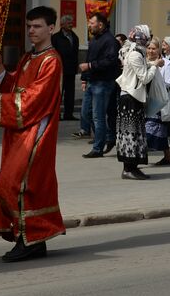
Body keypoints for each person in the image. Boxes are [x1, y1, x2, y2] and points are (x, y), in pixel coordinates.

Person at [0, 5, 65, 261]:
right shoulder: (28, 58)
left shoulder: (52, 61)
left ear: (51, 28)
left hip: (37, 131)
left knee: (15, 184)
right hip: (20, 131)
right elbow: (14, 85)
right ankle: (30, 238)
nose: (31, 30)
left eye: (37, 26)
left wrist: (2, 99)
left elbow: (35, 98)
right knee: (18, 185)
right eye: (29, 26)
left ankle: (31, 239)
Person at [113, 25, 157, 180]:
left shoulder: (137, 52)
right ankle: (128, 168)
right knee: (130, 135)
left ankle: (133, 167)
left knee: (135, 134)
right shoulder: (135, 55)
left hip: (133, 98)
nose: (149, 39)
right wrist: (155, 67)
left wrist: (151, 65)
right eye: (147, 36)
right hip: (130, 98)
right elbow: (144, 77)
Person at [79, 12, 120, 157]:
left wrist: (90, 66)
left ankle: (98, 148)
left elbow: (110, 61)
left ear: (100, 24)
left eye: (92, 23)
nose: (89, 25)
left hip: (103, 82)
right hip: (92, 81)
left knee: (98, 116)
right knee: (86, 113)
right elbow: (89, 57)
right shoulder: (94, 39)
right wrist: (84, 78)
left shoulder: (110, 41)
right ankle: (109, 137)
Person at [145, 37, 170, 167]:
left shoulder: (166, 64)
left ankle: (139, 157)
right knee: (160, 132)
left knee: (150, 130)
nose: (151, 51)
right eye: (149, 48)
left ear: (159, 50)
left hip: (157, 103)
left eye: (154, 48)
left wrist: (158, 83)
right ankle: (167, 156)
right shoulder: (144, 62)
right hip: (144, 100)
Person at [52, 14, 80, 120]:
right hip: (59, 70)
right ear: (62, 24)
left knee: (70, 93)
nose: (71, 25)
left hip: (71, 70)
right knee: (58, 93)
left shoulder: (74, 37)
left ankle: (68, 114)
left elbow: (76, 53)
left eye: (71, 23)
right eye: (68, 23)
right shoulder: (55, 38)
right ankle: (56, 114)